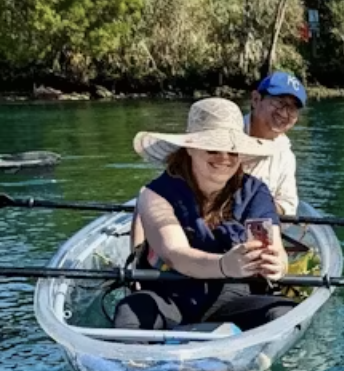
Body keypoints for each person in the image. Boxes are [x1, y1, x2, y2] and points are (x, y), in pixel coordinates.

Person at [114, 98, 294, 332]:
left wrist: (278, 266)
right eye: (212, 148)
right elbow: (176, 254)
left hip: (236, 301)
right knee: (131, 309)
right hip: (170, 299)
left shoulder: (256, 192)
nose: (224, 158)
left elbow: (276, 248)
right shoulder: (155, 194)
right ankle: (135, 362)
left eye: (232, 151)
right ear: (189, 148)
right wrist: (224, 265)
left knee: (283, 312)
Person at [244, 71, 307, 215]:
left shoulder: (285, 155)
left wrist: (260, 208)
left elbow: (287, 205)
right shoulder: (225, 134)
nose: (284, 114)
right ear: (255, 99)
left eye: (292, 108)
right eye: (279, 102)